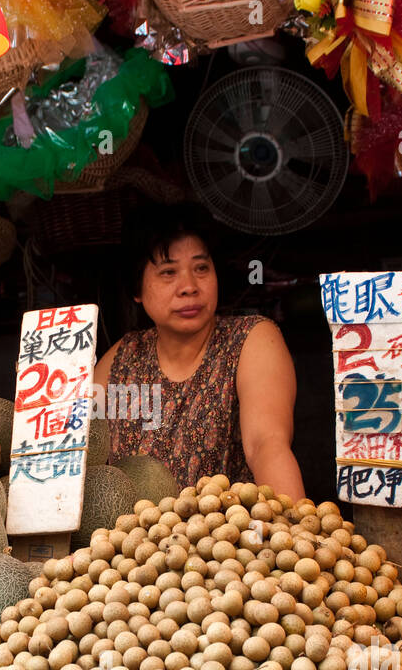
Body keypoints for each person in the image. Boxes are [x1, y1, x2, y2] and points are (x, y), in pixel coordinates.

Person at [94, 207, 306, 500]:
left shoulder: (250, 339)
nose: (189, 287)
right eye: (168, 272)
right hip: (132, 542)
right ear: (137, 288)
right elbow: (86, 460)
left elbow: (267, 445)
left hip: (229, 539)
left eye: (201, 268)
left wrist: (294, 529)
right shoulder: (119, 361)